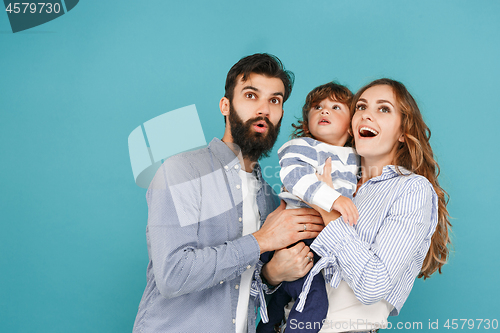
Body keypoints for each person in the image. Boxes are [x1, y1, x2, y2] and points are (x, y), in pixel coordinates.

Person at [132, 53, 325, 333]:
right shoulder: (181, 172)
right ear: (226, 105)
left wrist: (271, 276)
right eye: (251, 95)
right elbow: (173, 274)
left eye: (275, 100)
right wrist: (261, 240)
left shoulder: (270, 199)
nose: (264, 109)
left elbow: (243, 285)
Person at [286, 78, 452, 333]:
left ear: (402, 133)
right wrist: (273, 274)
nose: (366, 116)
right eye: (361, 107)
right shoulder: (332, 178)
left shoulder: (411, 189)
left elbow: (373, 285)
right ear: (351, 126)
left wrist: (328, 210)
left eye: (383, 109)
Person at [258, 82, 359, 333]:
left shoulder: (355, 157)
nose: (324, 111)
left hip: (320, 244)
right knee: (314, 302)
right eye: (318, 107)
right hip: (293, 239)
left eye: (335, 107)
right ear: (306, 124)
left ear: (352, 124)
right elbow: (295, 178)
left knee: (280, 302)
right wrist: (333, 200)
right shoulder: (302, 147)